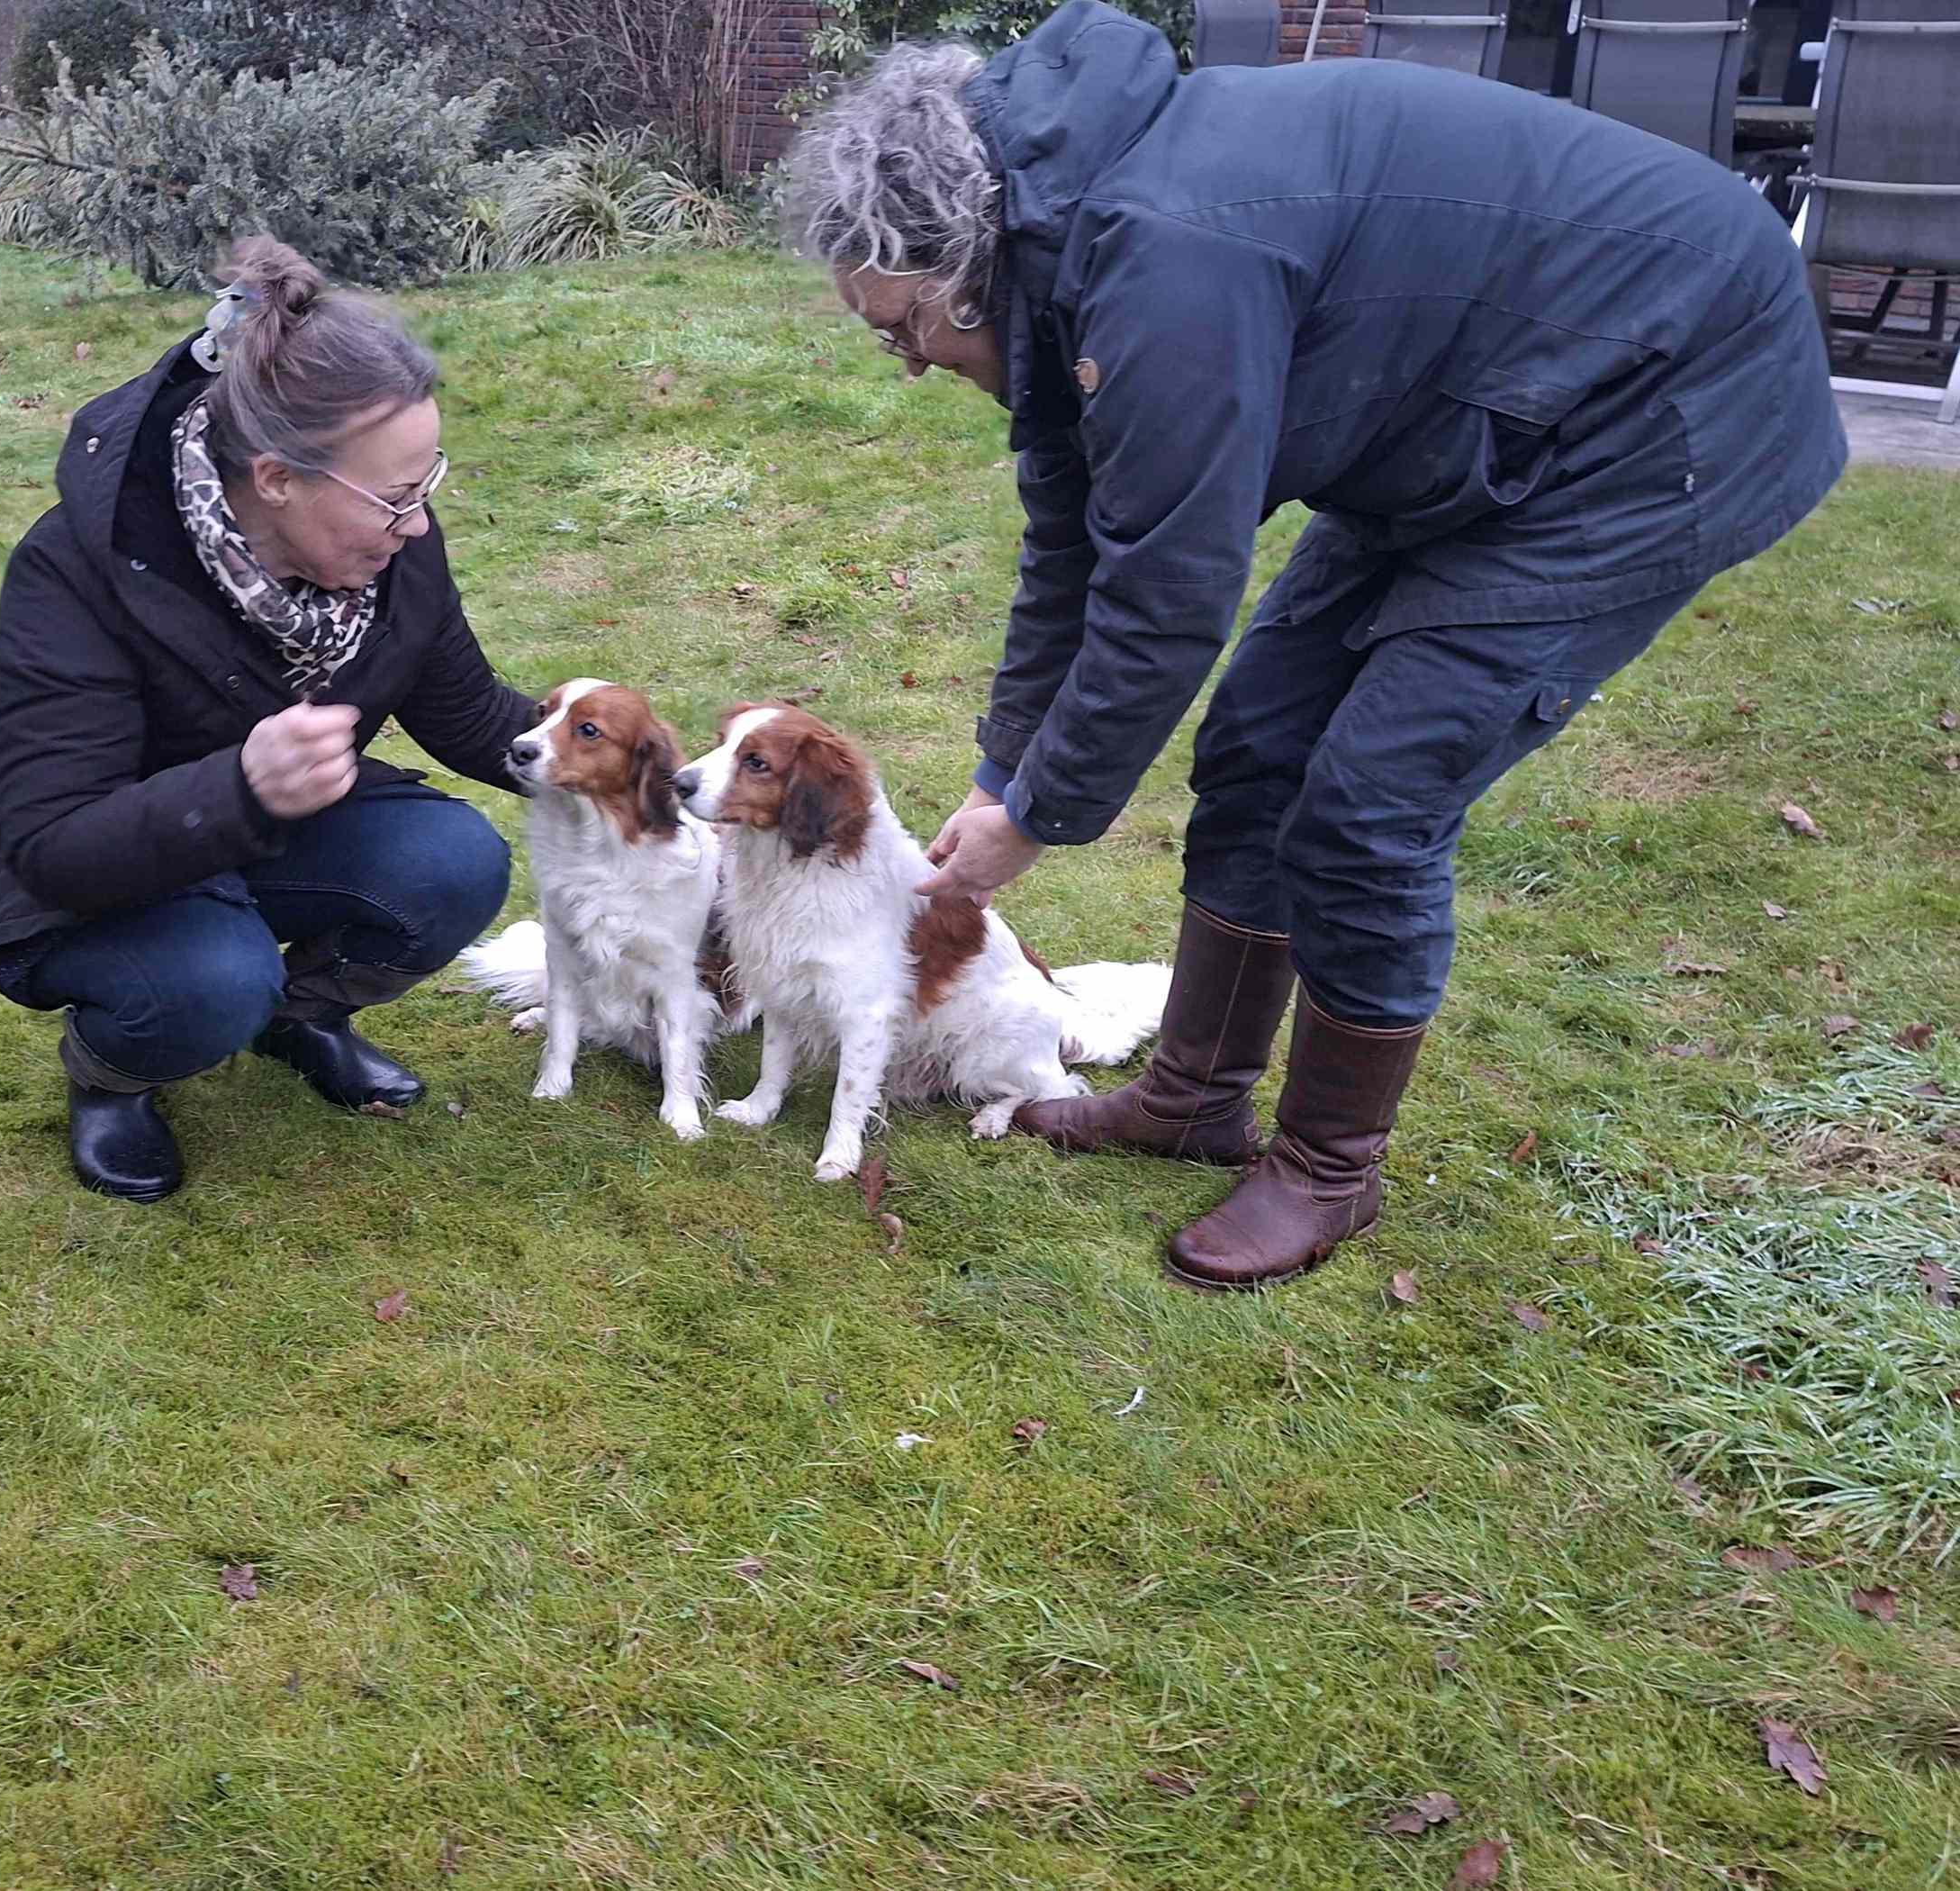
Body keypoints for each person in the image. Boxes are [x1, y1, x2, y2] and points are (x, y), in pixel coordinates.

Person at [781, 2, 1845, 1289]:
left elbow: (1167, 594)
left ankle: (1331, 1169)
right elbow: (1077, 537)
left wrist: (1041, 815)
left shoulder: (1164, 256)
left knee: (1371, 800)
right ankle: (1196, 1098)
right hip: (1464, 410)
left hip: (1659, 402)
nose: (905, 363)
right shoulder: (1056, 247)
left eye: (906, 331)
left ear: (965, 259)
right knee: (1260, 742)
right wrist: (1008, 771)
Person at [0, 239, 534, 1204]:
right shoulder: (82, 566)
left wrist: (648, 771)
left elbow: (461, 710)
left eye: (427, 489)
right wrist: (243, 788)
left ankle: (303, 1019)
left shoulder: (385, 544)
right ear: (279, 477)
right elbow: (53, 844)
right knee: (210, 979)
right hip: (52, 857)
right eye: (394, 499)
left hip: (251, 823)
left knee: (453, 862)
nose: (415, 526)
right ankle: (112, 1073)